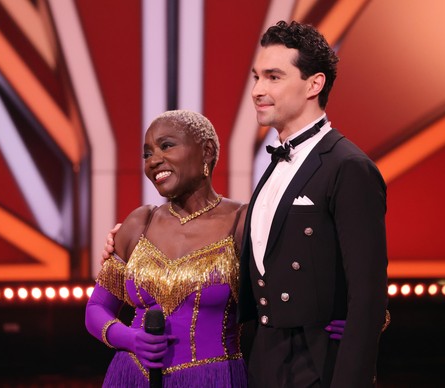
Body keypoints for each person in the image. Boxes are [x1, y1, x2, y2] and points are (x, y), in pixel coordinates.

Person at [91, 110, 347, 387]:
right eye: (147, 154)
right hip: (130, 376)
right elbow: (97, 308)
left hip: (212, 378)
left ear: (207, 151)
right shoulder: (140, 222)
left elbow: (300, 280)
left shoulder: (245, 221)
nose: (153, 161)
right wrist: (129, 338)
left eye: (166, 146)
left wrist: (349, 317)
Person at [237, 21, 389, 387]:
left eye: (273, 77)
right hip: (263, 365)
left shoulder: (348, 167)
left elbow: (368, 299)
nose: (258, 90)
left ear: (314, 84)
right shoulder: (275, 165)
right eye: (257, 77)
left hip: (319, 370)